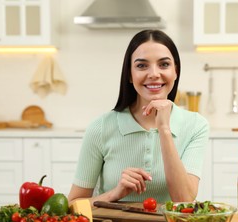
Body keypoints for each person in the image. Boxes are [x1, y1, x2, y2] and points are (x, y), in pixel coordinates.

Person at [68, 30, 209, 205]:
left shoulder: (196, 125)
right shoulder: (100, 127)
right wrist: (114, 194)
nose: (154, 74)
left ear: (175, 72)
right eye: (142, 66)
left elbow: (184, 200)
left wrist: (164, 129)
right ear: (129, 74)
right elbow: (73, 204)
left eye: (164, 64)